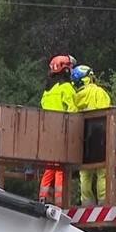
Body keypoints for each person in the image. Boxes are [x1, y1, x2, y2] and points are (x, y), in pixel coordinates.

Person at [39, 55, 77, 204]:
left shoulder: (47, 91)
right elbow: (73, 109)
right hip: (62, 132)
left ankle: (42, 198)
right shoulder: (66, 88)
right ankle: (59, 203)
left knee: (50, 168)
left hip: (48, 132)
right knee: (61, 168)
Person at [72, 64, 112, 204]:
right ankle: (103, 202)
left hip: (83, 141)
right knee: (102, 172)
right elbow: (107, 113)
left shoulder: (75, 97)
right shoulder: (100, 93)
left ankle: (87, 204)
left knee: (85, 174)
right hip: (101, 137)